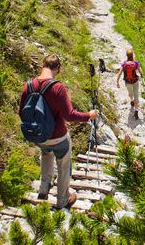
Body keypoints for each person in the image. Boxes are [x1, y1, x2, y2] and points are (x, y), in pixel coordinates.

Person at [19, 54, 98, 210]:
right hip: (58, 137)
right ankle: (63, 200)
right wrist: (89, 115)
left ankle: (43, 190)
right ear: (58, 69)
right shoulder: (57, 87)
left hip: (38, 135)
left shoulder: (28, 85)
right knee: (63, 165)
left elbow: (21, 112)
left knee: (46, 154)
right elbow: (69, 115)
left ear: (42, 65)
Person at [116, 48, 143, 120]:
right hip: (135, 81)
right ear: (132, 55)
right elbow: (140, 72)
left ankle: (131, 101)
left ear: (127, 56)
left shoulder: (124, 64)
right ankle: (136, 111)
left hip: (128, 82)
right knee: (136, 95)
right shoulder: (136, 63)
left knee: (130, 93)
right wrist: (141, 75)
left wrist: (117, 82)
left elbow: (119, 73)